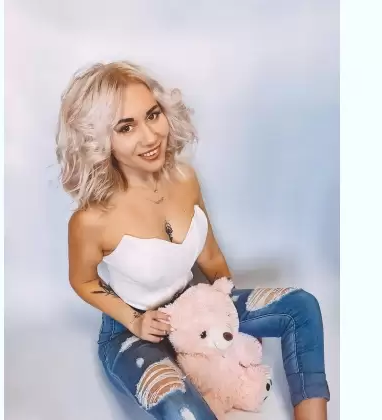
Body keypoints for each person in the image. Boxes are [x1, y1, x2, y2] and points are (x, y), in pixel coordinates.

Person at [55, 61, 330, 420]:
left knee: (301, 306)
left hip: (197, 308)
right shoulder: (91, 219)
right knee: (182, 409)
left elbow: (210, 256)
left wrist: (226, 313)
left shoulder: (185, 178)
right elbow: (83, 281)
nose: (150, 137)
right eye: (126, 127)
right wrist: (134, 320)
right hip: (135, 333)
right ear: (100, 140)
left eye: (152, 115)